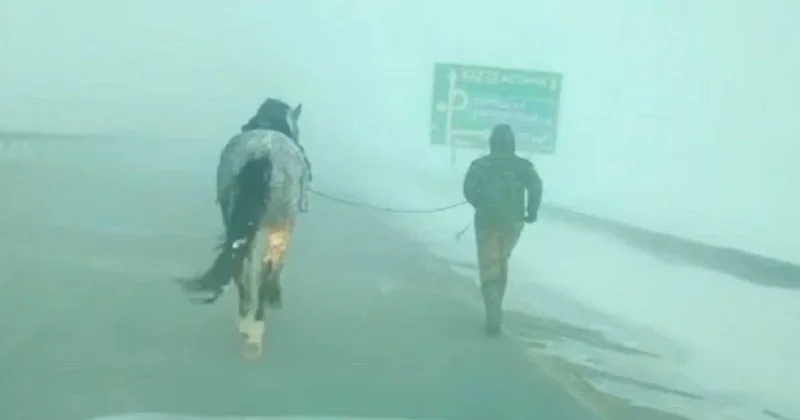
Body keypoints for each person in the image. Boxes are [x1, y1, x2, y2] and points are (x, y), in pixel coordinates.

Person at [462, 124, 543, 336]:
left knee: (489, 263)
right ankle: (496, 307)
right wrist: (531, 212)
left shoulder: (480, 165)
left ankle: (493, 312)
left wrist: (481, 203)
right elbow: (536, 187)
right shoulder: (524, 166)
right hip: (513, 222)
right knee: (501, 260)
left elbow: (468, 189)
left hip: (487, 221)